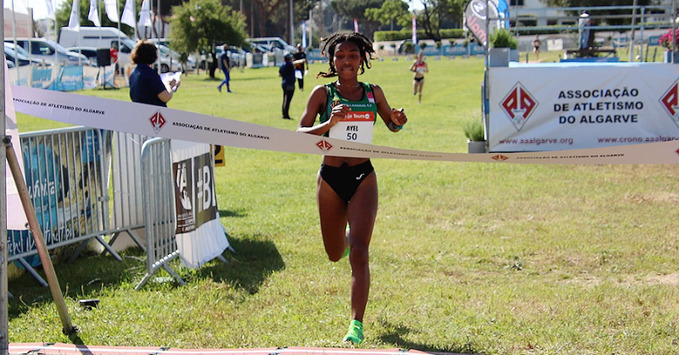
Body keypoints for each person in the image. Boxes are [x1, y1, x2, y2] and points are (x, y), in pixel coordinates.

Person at [297, 32, 408, 345]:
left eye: (353, 56)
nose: (347, 61)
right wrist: (328, 124)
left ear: (363, 60)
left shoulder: (373, 92)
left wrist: (399, 119)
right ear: (332, 60)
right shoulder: (323, 93)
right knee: (335, 253)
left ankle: (355, 325)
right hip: (331, 179)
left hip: (363, 177)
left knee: (359, 252)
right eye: (340, 56)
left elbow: (392, 124)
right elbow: (300, 132)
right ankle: (346, 238)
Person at [129, 40, 178, 107]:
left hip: (139, 111)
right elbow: (165, 97)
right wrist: (171, 86)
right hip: (153, 112)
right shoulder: (149, 74)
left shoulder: (133, 73)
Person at [279, 53, 296, 119]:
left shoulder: (282, 65)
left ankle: (284, 113)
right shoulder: (291, 65)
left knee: (284, 99)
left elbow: (280, 74)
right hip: (290, 84)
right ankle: (286, 115)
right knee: (288, 100)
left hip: (284, 83)